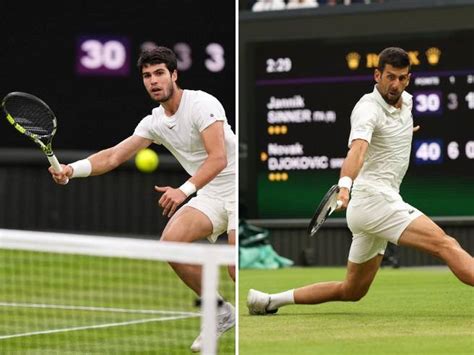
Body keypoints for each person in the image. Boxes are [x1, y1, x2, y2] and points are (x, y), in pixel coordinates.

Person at [247, 47, 474, 315]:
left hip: (370, 210)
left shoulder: (408, 102)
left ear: (408, 79)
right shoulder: (367, 109)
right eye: (390, 77)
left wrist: (402, 133)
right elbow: (358, 150)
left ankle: (268, 300)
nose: (395, 84)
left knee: (352, 291)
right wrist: (345, 185)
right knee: (445, 244)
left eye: (402, 78)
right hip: (374, 200)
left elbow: (390, 135)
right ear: (377, 75)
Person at [49, 46, 236, 352]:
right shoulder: (154, 122)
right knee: (171, 244)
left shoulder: (203, 104)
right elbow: (113, 156)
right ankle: (219, 311)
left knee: (234, 270)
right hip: (210, 194)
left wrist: (183, 191)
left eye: (160, 73)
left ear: (174, 75)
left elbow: (218, 160)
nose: (153, 81)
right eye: (147, 76)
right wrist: (72, 169)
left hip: (233, 189)